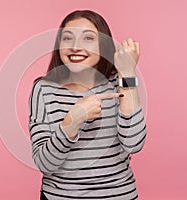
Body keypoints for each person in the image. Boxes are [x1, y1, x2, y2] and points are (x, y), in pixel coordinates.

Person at [28, 10, 147, 200]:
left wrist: (127, 74)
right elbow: (45, 164)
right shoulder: (44, 89)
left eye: (88, 38)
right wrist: (71, 122)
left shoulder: (119, 82)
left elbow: (133, 143)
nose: (75, 47)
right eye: (67, 38)